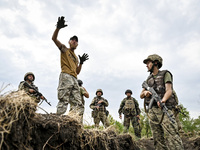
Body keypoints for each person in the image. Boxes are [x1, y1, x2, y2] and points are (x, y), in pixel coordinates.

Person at [140, 54, 184, 150]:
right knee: (157, 138)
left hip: (165, 109)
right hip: (152, 111)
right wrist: (146, 92)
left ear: (155, 63)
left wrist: (163, 100)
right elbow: (141, 95)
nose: (146, 65)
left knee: (172, 136)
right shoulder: (148, 79)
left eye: (148, 63)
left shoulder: (165, 74)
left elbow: (169, 90)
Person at [52, 16, 89, 116]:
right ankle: (58, 120)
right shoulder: (65, 49)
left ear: (77, 44)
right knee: (64, 100)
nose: (74, 41)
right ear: (69, 42)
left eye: (76, 41)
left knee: (78, 104)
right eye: (72, 40)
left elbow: (77, 72)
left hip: (74, 78)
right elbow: (54, 39)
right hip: (66, 76)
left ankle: (74, 122)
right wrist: (58, 28)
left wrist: (81, 63)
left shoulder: (76, 57)